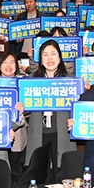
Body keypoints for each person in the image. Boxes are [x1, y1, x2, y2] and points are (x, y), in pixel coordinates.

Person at [25, 40, 77, 169]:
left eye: (53, 54)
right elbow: (25, 110)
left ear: (59, 58)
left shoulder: (71, 80)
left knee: (62, 173)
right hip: (39, 132)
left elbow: (78, 110)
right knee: (39, 173)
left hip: (62, 133)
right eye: (45, 54)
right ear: (40, 59)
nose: (50, 58)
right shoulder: (31, 80)